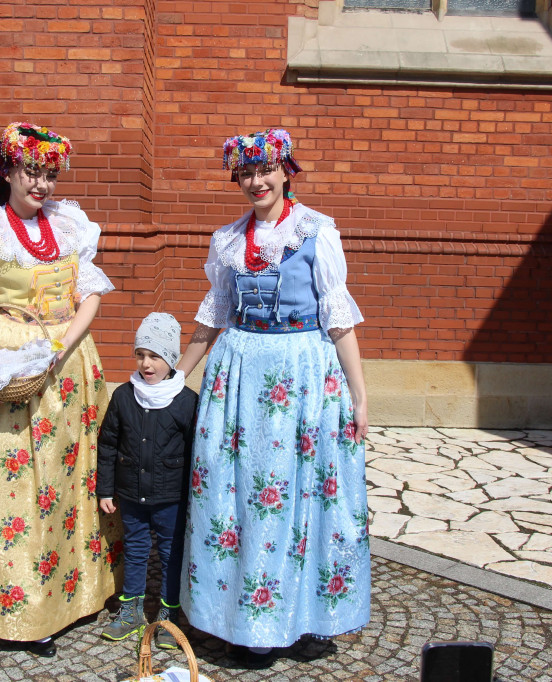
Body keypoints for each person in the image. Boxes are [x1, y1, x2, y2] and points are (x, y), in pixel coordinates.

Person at [175, 128, 371, 668]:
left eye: (265, 171)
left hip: (302, 376)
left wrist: (359, 394)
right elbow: (213, 314)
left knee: (298, 493)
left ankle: (301, 614)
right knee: (239, 492)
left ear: (286, 170)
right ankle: (245, 621)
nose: (256, 181)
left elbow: (339, 318)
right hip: (239, 374)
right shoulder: (227, 240)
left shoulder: (317, 232)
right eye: (245, 173)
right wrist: (176, 376)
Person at [0, 122, 122, 658]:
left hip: (68, 362)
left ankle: (82, 592)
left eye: (48, 175)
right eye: (30, 173)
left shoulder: (69, 224)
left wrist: (62, 346)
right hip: (11, 363)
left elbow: (90, 295)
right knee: (16, 478)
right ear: (9, 171)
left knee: (71, 476)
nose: (40, 185)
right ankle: (19, 609)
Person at [96, 313, 198, 650]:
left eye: (155, 356)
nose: (146, 363)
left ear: (170, 358)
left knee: (171, 554)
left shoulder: (186, 401)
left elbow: (197, 451)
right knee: (137, 550)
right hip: (130, 494)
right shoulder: (125, 396)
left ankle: (169, 615)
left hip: (171, 497)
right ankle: (131, 611)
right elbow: (108, 443)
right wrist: (106, 489)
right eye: (141, 354)